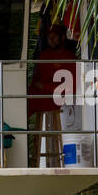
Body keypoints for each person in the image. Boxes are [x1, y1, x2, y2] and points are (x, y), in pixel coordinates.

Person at [26, 21, 74, 166]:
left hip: (57, 99)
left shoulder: (70, 58)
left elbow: (70, 87)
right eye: (49, 38)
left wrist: (45, 86)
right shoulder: (44, 55)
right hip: (39, 96)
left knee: (26, 102)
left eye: (54, 37)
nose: (51, 40)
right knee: (22, 102)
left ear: (62, 38)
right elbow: (36, 79)